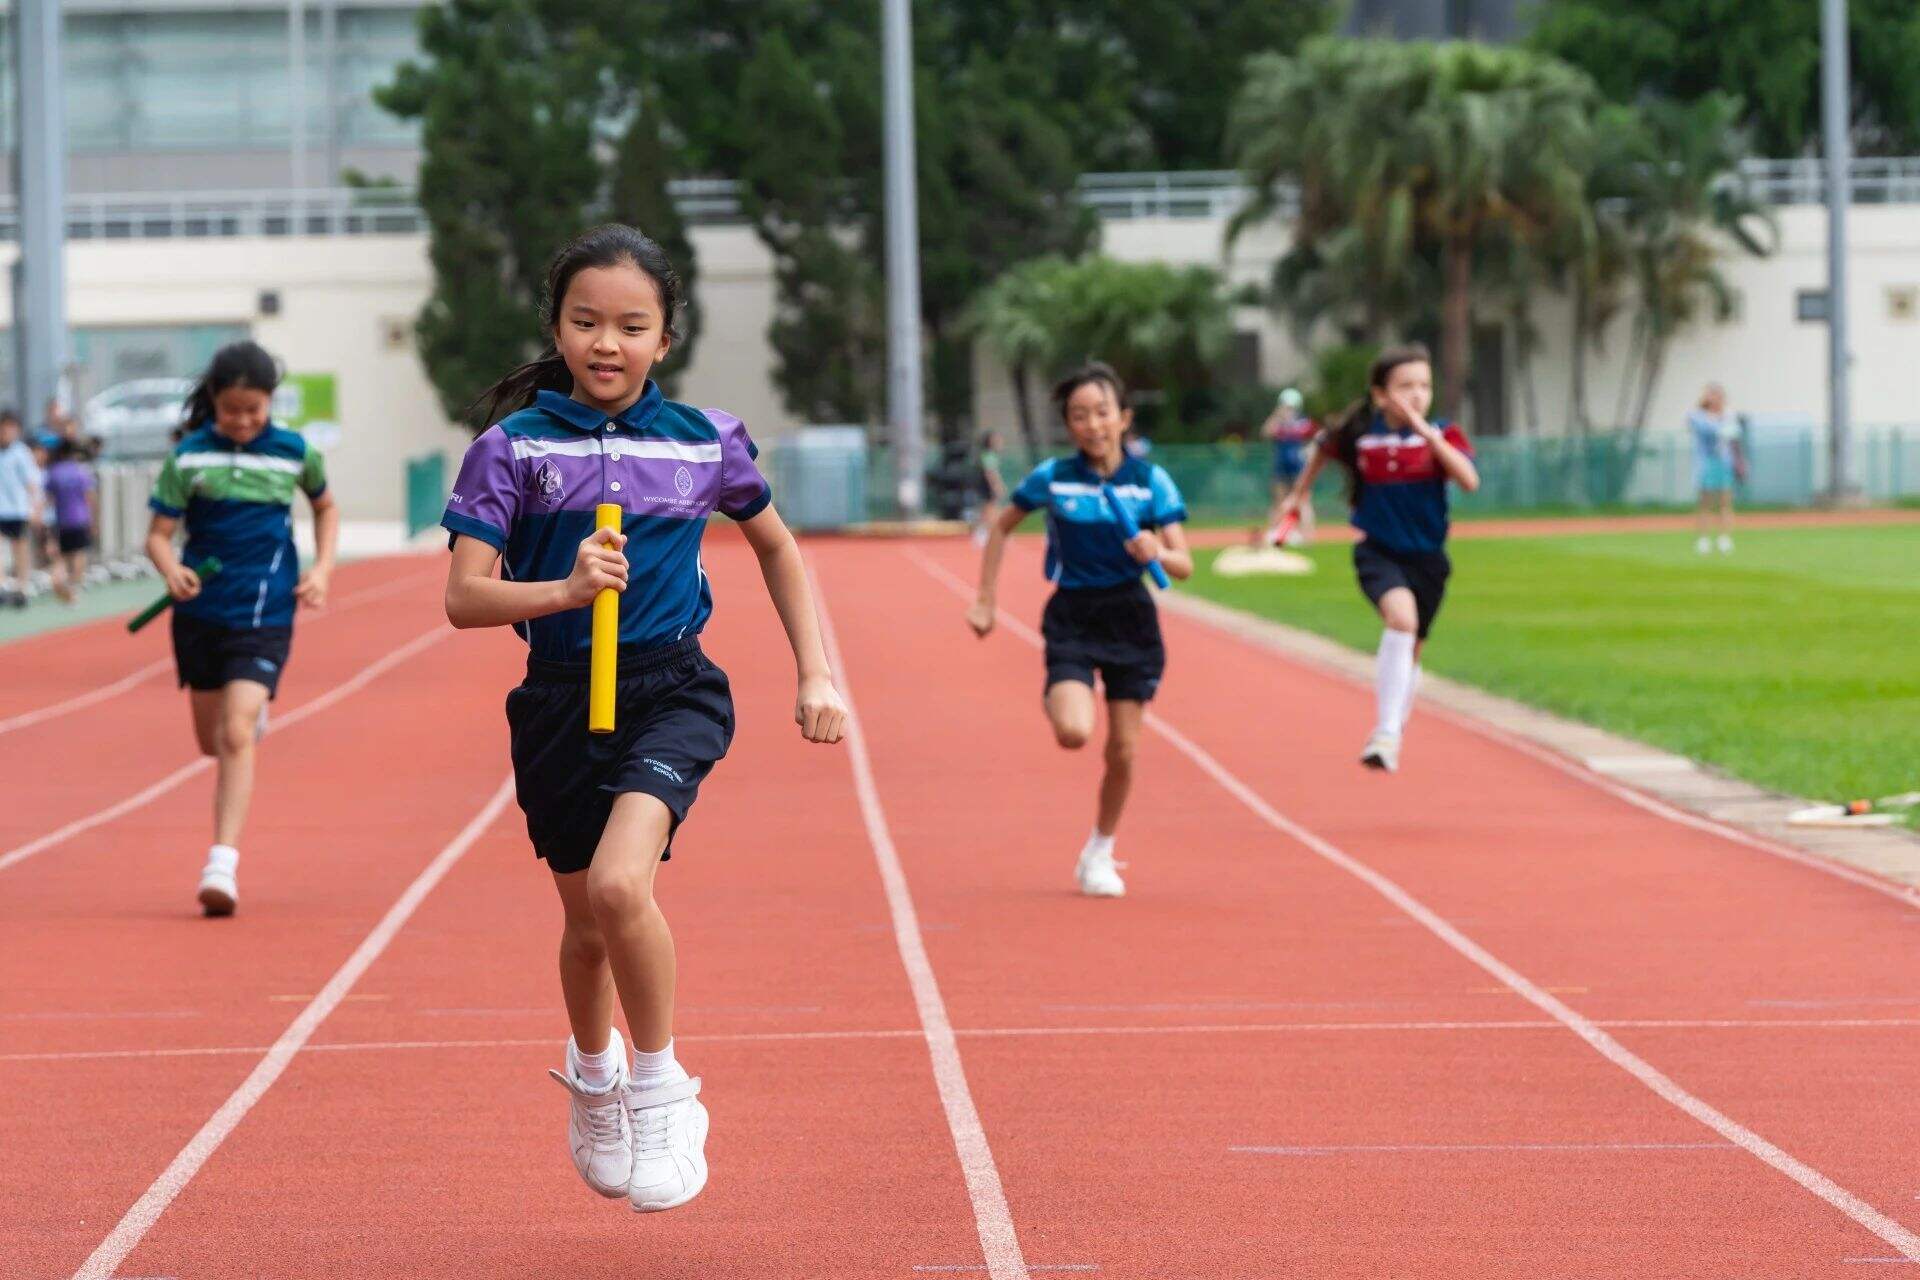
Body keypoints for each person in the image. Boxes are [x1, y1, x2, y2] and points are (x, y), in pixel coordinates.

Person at [441, 224, 848, 1215]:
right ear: (557, 328)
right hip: (557, 699)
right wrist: (565, 589)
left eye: (632, 325)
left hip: (671, 688)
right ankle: (596, 1076)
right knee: (586, 927)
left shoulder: (706, 440)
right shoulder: (513, 449)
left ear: (666, 337)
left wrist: (817, 673)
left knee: (622, 885)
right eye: (586, 321)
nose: (607, 342)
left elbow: (777, 546)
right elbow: (463, 596)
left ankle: (664, 1091)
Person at [967, 362, 1192, 899]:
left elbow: (1183, 565)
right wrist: (985, 600)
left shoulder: (1150, 481)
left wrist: (1156, 550)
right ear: (1069, 424)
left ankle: (1100, 850)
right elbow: (1001, 527)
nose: (1093, 425)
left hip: (1132, 619)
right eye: (1080, 415)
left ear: (1124, 418)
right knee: (1073, 733)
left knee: (1124, 752)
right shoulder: (1053, 476)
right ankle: (1062, 690)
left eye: (1102, 412)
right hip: (1073, 615)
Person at [145, 340, 339, 917]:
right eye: (232, 410)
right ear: (213, 400)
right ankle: (246, 716)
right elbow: (158, 535)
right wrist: (170, 568)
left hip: (266, 610)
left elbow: (325, 507)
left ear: (270, 402)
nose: (244, 421)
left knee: (233, 733)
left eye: (254, 410)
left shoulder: (294, 451)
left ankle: (221, 863)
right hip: (201, 613)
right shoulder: (188, 458)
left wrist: (322, 570)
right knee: (213, 742)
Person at [1276, 344, 1478, 773]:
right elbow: (1323, 448)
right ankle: (1386, 732)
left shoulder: (1442, 434)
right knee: (1401, 621)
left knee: (1413, 651)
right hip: (1378, 552)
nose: (1418, 395)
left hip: (1429, 559)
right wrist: (1298, 495)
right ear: (1381, 395)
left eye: (1425, 386)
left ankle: (1392, 730)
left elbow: (1468, 481)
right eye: (1406, 387)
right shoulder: (1363, 435)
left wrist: (1429, 436)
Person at [43, 439, 98, 603]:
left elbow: (48, 499)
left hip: (61, 520)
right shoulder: (80, 472)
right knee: (79, 554)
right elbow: (89, 497)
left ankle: (63, 587)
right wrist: (93, 521)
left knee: (62, 556)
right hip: (80, 518)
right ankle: (74, 588)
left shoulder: (53, 472)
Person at [1260, 387, 1317, 544]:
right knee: (1279, 500)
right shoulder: (1278, 423)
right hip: (1281, 467)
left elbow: (1317, 441)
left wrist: (1309, 452)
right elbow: (1265, 433)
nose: (1288, 409)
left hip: (1299, 468)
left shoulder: (1304, 422)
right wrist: (1276, 415)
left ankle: (1308, 535)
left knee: (1303, 501)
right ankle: (1275, 532)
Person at [1687, 384, 1738, 554]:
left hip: (1723, 462)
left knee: (1725, 502)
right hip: (1706, 462)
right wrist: (1719, 425)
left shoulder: (1728, 414)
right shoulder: (1697, 415)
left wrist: (1721, 424)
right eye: (1711, 395)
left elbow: (1733, 432)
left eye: (1717, 396)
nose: (1714, 399)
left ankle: (1724, 538)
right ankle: (1703, 539)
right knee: (1705, 503)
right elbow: (1707, 429)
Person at [0, 409, 40, 608]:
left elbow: (31, 483)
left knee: (20, 548)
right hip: (1, 509)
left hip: (17, 509)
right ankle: (2, 585)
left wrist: (35, 507)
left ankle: (22, 586)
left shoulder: (21, 452)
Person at [974, 430, 1007, 546]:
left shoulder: (989, 455)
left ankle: (983, 533)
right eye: (996, 440)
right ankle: (984, 533)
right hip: (988, 485)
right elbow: (991, 473)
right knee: (990, 510)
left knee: (988, 510)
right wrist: (997, 486)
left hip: (986, 485)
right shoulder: (989, 455)